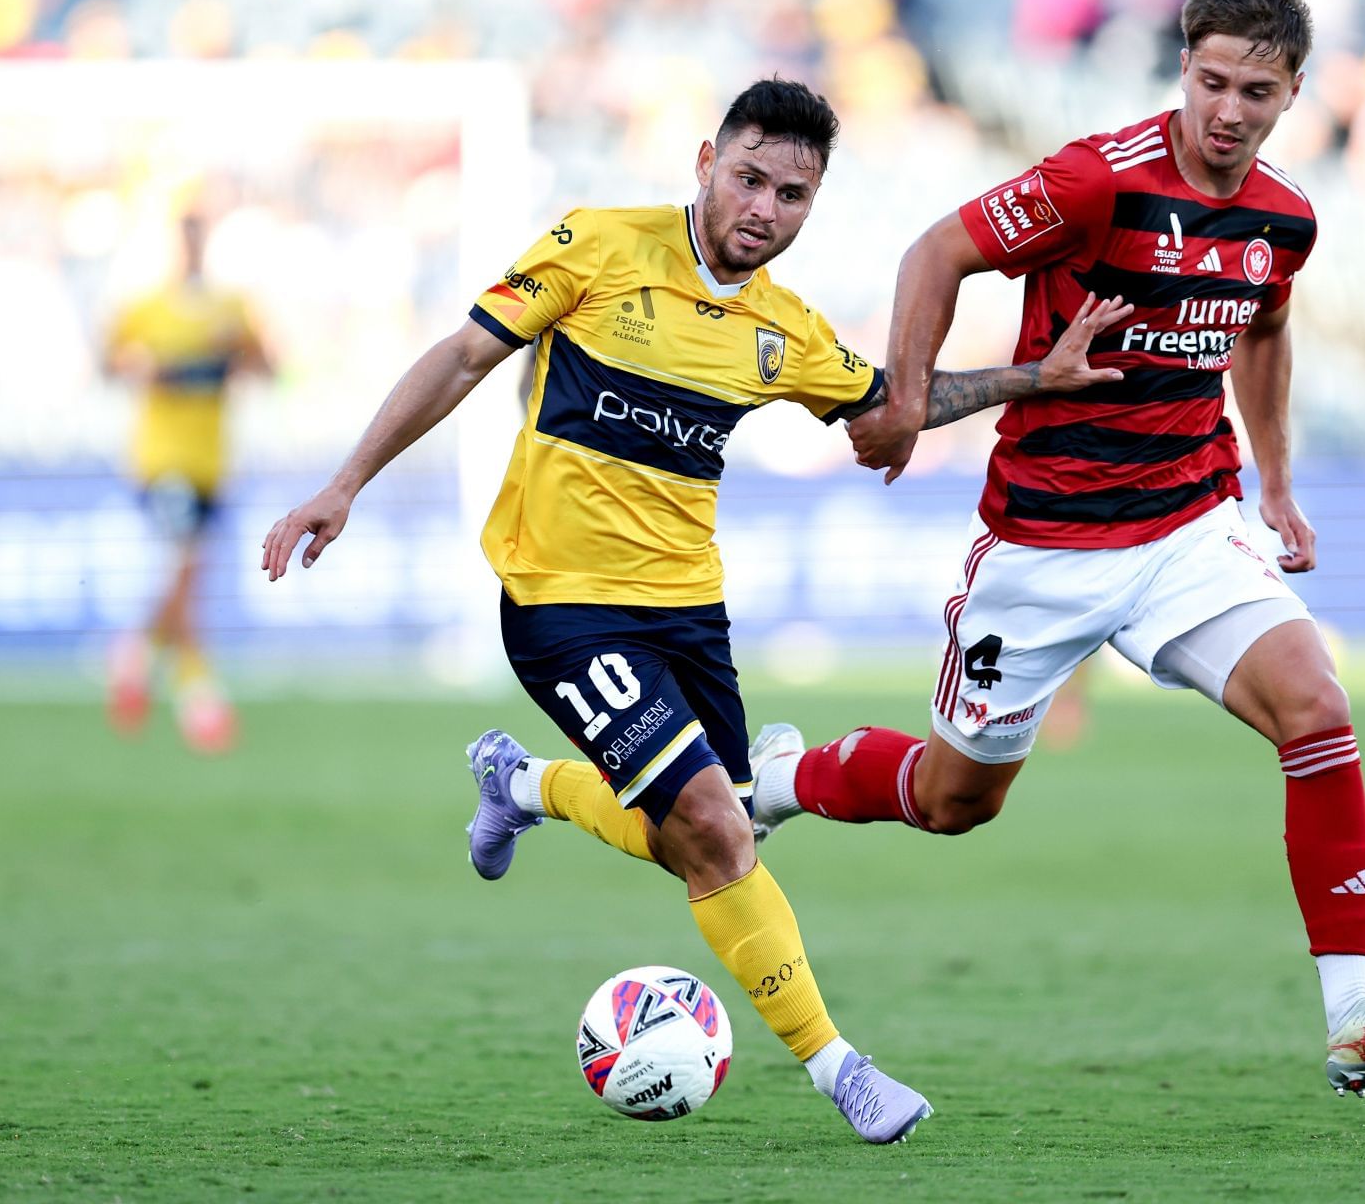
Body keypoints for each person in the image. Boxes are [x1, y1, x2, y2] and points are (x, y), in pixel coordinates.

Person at [259, 79, 1126, 1141]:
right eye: (750, 177)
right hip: (561, 602)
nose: (763, 206)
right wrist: (346, 481)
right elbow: (462, 357)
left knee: (708, 834)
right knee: (719, 827)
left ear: (814, 203)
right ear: (706, 159)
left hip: (688, 612)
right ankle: (839, 1067)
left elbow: (891, 410)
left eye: (791, 193)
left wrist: (1036, 376)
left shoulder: (783, 328)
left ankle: (521, 783)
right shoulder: (596, 244)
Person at [745, 0, 1365, 1098]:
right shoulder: (1095, 182)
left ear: (1293, 93)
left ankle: (1352, 1009)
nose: (1229, 109)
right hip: (1045, 546)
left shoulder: (1283, 216)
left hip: (1186, 527)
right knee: (952, 800)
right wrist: (910, 402)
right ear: (1183, 67)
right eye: (1211, 81)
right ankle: (780, 775)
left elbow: (1263, 327)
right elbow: (937, 250)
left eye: (1255, 91)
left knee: (1316, 703)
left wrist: (1274, 483)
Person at [105, 212, 270, 754]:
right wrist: (145, 369)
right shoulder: (144, 308)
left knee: (186, 573)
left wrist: (237, 352)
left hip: (213, 461)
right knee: (187, 571)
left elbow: (267, 366)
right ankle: (199, 696)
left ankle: (134, 654)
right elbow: (109, 363)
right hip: (162, 460)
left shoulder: (232, 307)